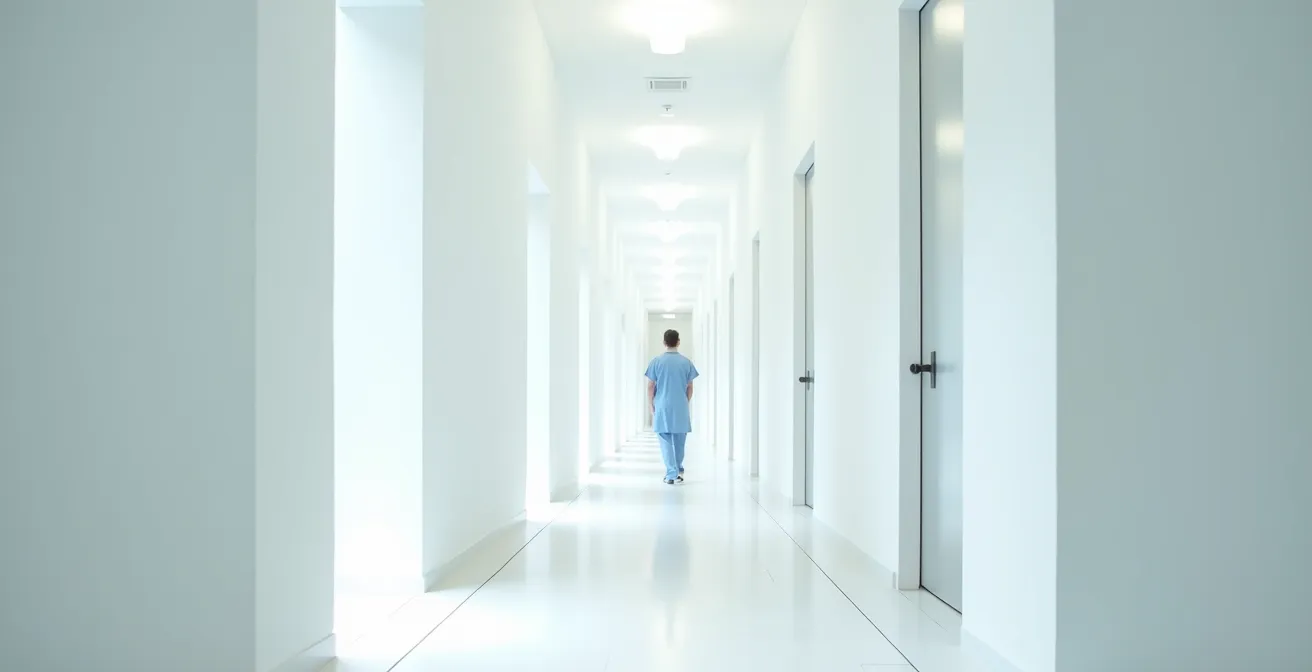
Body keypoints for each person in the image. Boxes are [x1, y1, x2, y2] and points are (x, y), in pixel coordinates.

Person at [645, 329, 699, 485]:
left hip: (662, 405)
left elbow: (650, 385)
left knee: (665, 438)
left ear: (664, 343)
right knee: (680, 439)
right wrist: (685, 401)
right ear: (678, 342)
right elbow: (690, 387)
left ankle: (671, 473)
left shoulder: (656, 362)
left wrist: (651, 404)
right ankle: (678, 468)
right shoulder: (686, 362)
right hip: (680, 405)